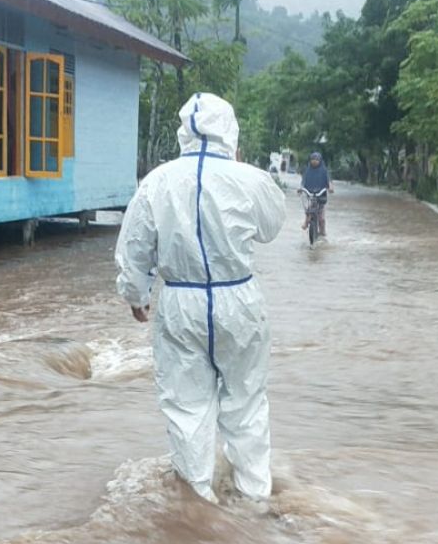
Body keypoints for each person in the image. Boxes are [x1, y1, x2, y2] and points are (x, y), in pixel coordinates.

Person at [116, 93, 286, 503]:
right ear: (230, 130)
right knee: (246, 403)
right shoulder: (251, 178)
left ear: (183, 133)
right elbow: (271, 227)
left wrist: (136, 294)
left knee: (187, 407)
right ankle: (254, 498)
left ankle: (197, 508)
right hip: (239, 298)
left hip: (180, 301)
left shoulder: (157, 180)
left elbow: (134, 245)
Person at [300, 152, 333, 236]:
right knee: (309, 209)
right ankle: (306, 222)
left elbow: (329, 180)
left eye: (316, 159)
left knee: (321, 218)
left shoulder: (324, 170)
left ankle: (322, 230)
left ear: (320, 161)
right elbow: (303, 181)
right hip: (310, 193)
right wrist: (300, 188)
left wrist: (330, 187)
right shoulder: (307, 170)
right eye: (312, 159)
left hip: (321, 195)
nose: (314, 161)